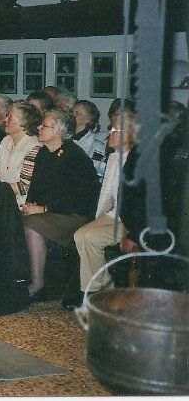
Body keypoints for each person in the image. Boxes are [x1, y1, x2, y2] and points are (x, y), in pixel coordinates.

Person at [21, 109, 99, 301]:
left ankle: (38, 285)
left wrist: (44, 209)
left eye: (45, 125)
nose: (39, 128)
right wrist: (29, 205)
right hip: (51, 213)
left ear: (59, 131)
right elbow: (36, 187)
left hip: (74, 215)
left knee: (32, 227)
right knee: (16, 219)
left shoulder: (75, 157)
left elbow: (79, 199)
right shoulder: (43, 153)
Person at [72, 109, 139, 305]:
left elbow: (139, 204)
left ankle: (93, 292)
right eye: (111, 128)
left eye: (116, 130)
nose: (110, 132)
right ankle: (105, 289)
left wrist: (133, 234)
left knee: (92, 238)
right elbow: (108, 196)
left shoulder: (138, 162)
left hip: (131, 221)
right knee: (80, 235)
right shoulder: (114, 157)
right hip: (113, 214)